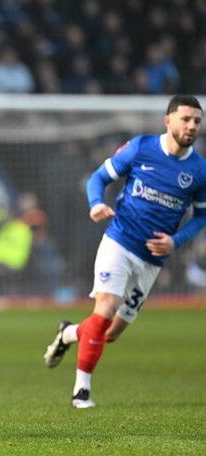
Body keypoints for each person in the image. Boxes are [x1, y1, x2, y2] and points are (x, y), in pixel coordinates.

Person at [44, 95, 206, 408]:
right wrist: (96, 204)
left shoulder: (200, 170)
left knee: (110, 332)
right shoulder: (141, 148)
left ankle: (68, 334)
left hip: (152, 260)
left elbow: (201, 216)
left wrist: (176, 241)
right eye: (185, 119)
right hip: (119, 241)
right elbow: (98, 178)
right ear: (168, 121)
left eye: (197, 121)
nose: (192, 126)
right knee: (104, 310)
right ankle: (81, 391)